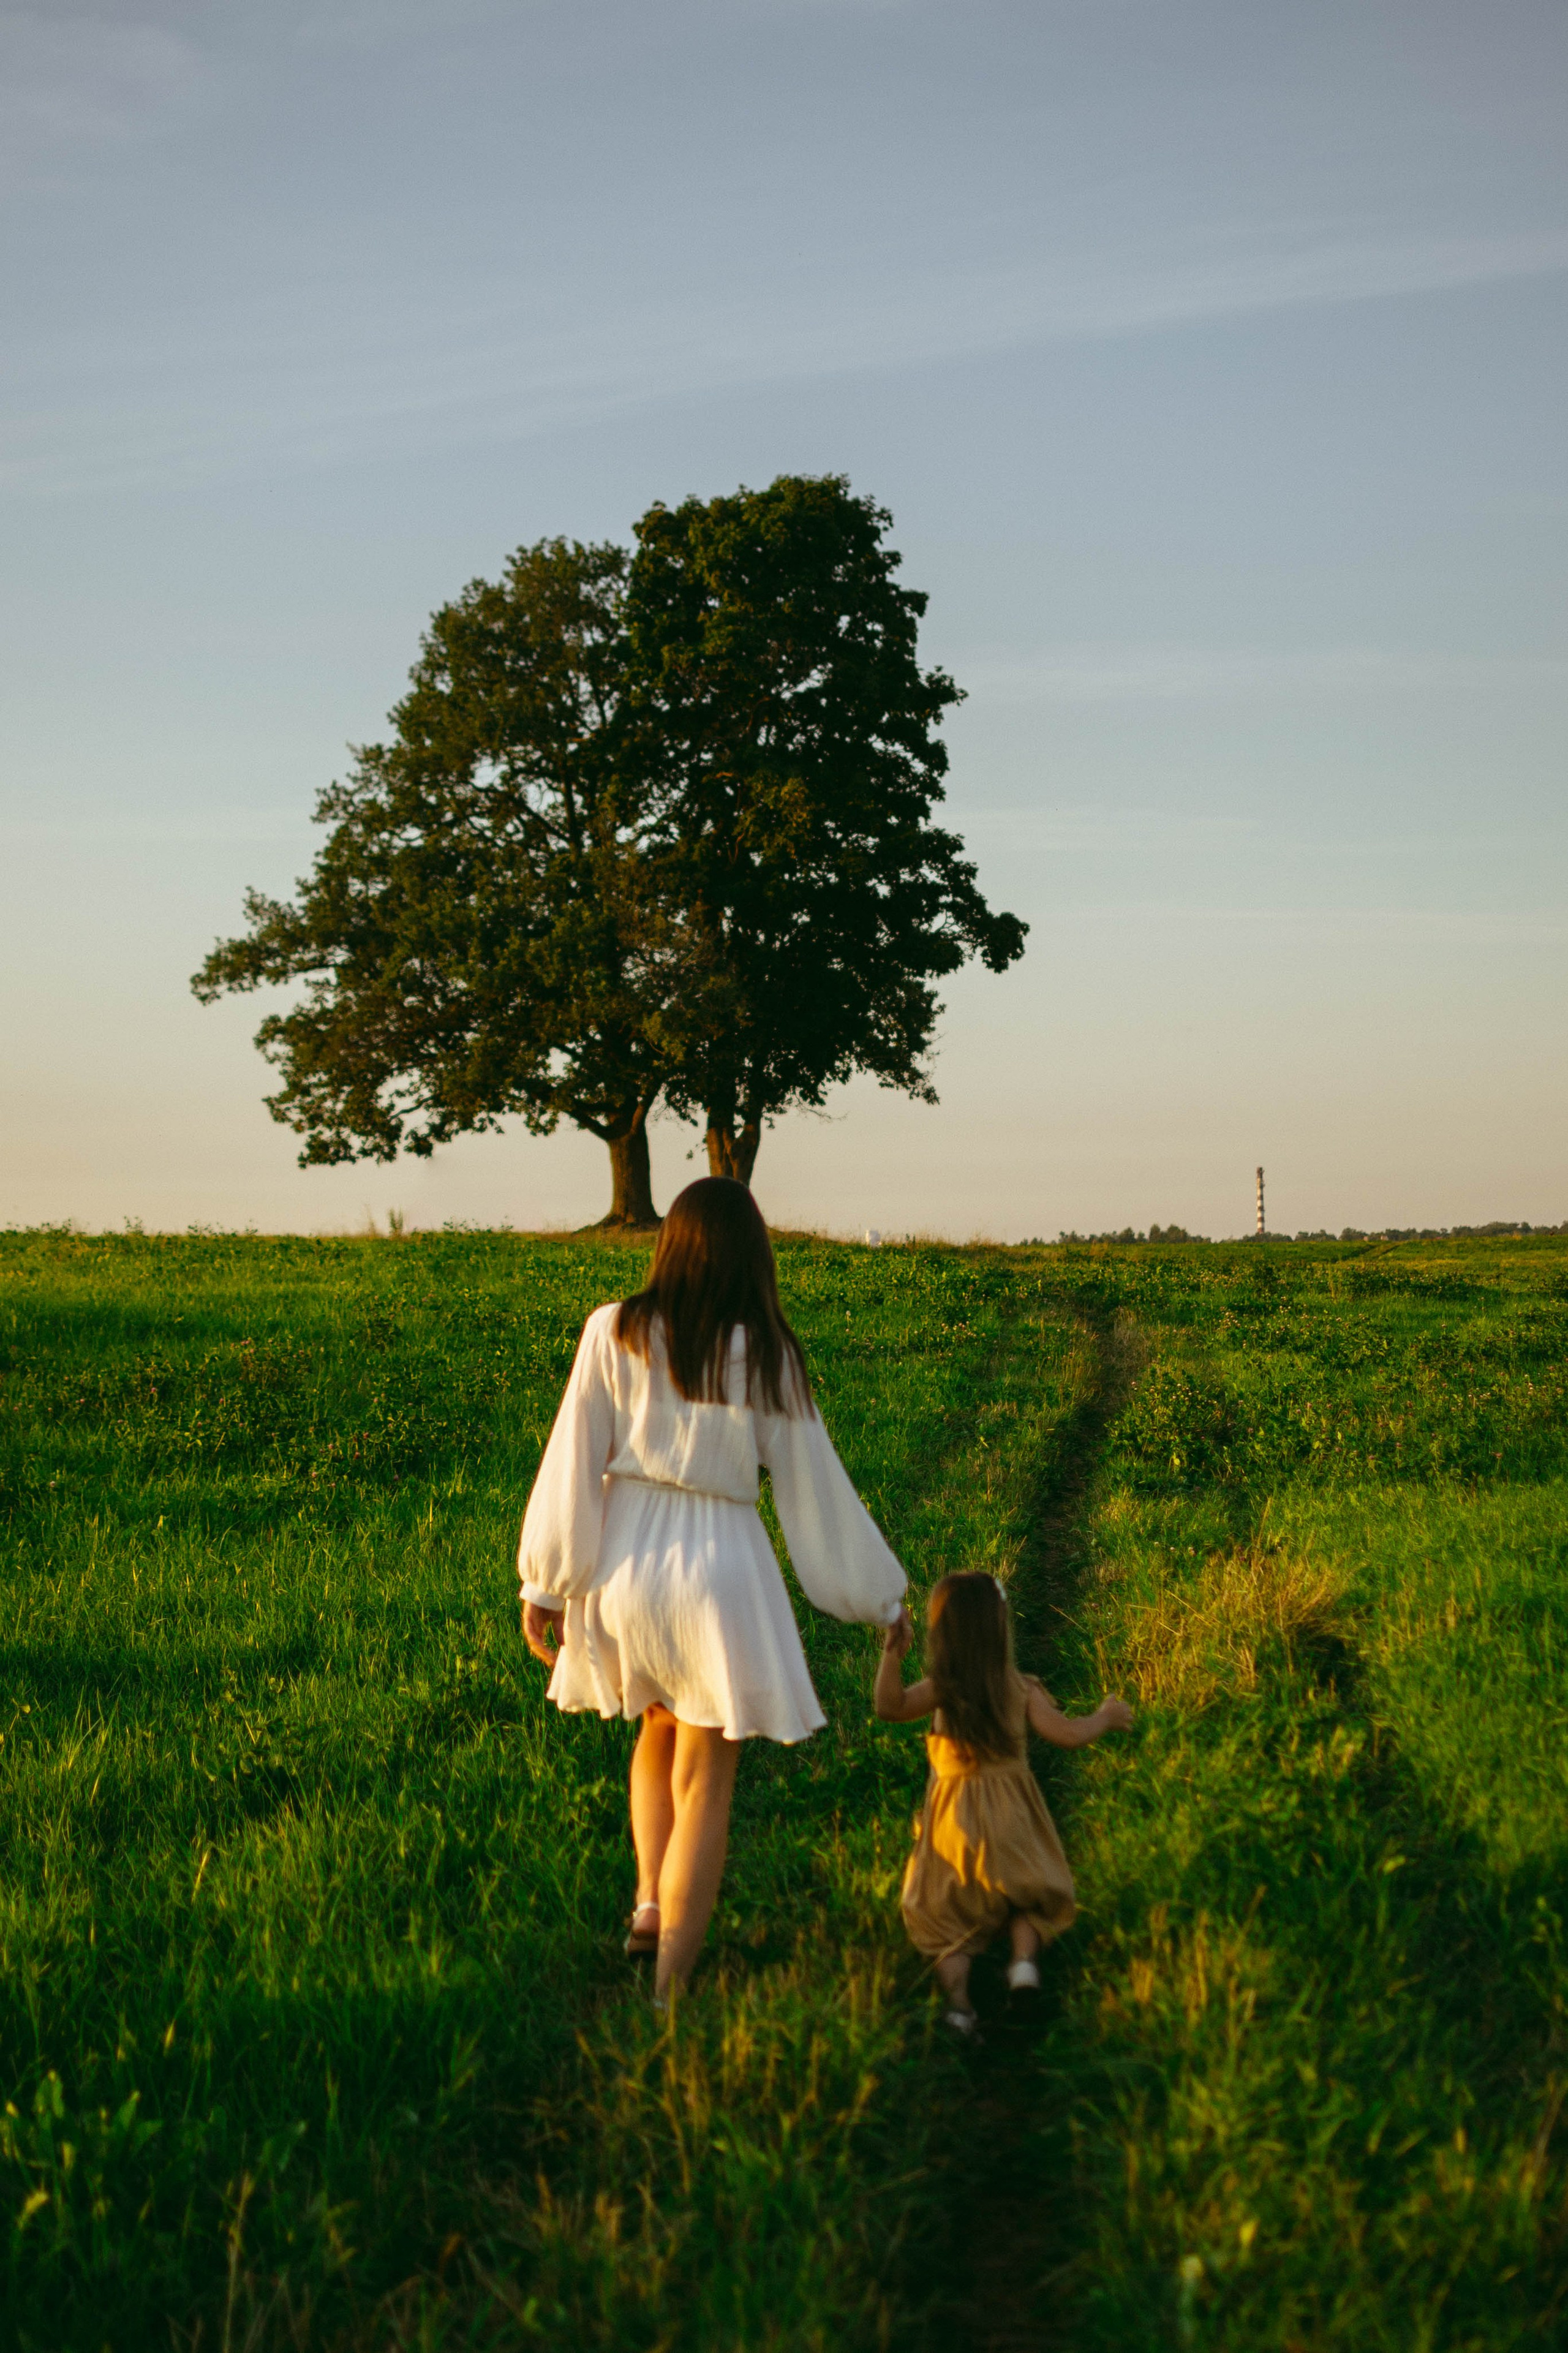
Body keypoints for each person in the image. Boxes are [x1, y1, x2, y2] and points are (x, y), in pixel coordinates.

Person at [518, 1177, 911, 2001]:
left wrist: (548, 1582)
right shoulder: (767, 1352)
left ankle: (649, 1904)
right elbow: (816, 1491)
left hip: (627, 1566)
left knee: (654, 1729)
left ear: (670, 1244)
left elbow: (572, 1458)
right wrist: (878, 1597)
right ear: (752, 1256)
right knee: (706, 1776)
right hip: (720, 1568)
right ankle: (667, 1994)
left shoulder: (612, 1330)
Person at [875, 1571, 1133, 2036]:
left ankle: (958, 2007)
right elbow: (1068, 1735)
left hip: (955, 1832)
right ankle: (1023, 1968)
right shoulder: (1020, 1687)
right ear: (1000, 1628)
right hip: (1012, 1825)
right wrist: (1105, 1717)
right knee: (1029, 1898)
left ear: (942, 1634)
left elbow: (889, 1706)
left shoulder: (942, 1688)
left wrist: (892, 1653)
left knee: (945, 1925)